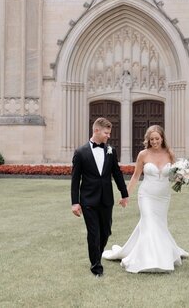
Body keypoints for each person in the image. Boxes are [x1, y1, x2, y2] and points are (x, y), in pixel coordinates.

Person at [102, 125, 188, 273]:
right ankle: (148, 260)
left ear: (162, 138)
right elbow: (136, 176)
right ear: (148, 140)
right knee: (149, 224)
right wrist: (125, 195)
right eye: (151, 139)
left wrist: (185, 177)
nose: (154, 141)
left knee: (160, 225)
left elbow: (175, 175)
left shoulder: (170, 154)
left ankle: (162, 255)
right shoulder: (143, 154)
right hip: (146, 195)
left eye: (157, 138)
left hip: (163, 197)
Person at [71, 117, 129, 278]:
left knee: (106, 232)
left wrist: (124, 194)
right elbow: (76, 180)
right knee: (94, 233)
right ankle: (96, 266)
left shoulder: (111, 150)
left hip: (106, 199)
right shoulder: (80, 152)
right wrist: (75, 203)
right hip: (88, 200)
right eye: (106, 133)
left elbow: (117, 174)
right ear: (96, 130)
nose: (108, 136)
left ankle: (97, 255)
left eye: (109, 133)